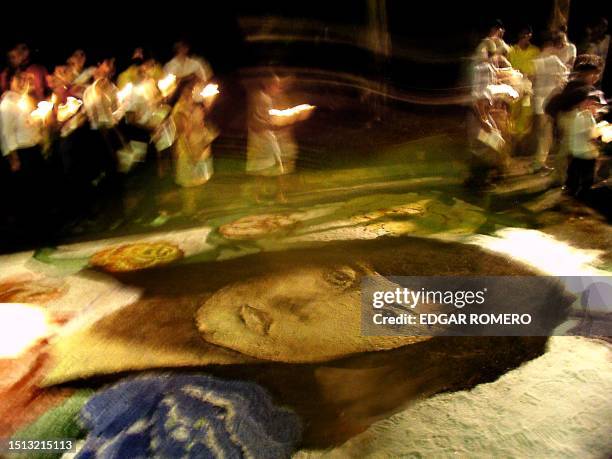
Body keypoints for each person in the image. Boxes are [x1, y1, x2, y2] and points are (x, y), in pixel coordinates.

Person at [531, 34, 569, 173]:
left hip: (538, 101)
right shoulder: (554, 60)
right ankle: (538, 164)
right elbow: (564, 78)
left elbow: (532, 79)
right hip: (548, 102)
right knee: (546, 135)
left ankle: (538, 162)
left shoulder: (538, 59)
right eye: (562, 44)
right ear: (556, 45)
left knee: (542, 134)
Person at [558, 88, 601, 199]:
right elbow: (588, 134)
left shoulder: (586, 116)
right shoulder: (583, 117)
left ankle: (573, 189)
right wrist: (599, 134)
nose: (597, 108)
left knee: (575, 172)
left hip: (582, 152)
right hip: (585, 153)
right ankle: (580, 193)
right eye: (594, 105)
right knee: (583, 175)